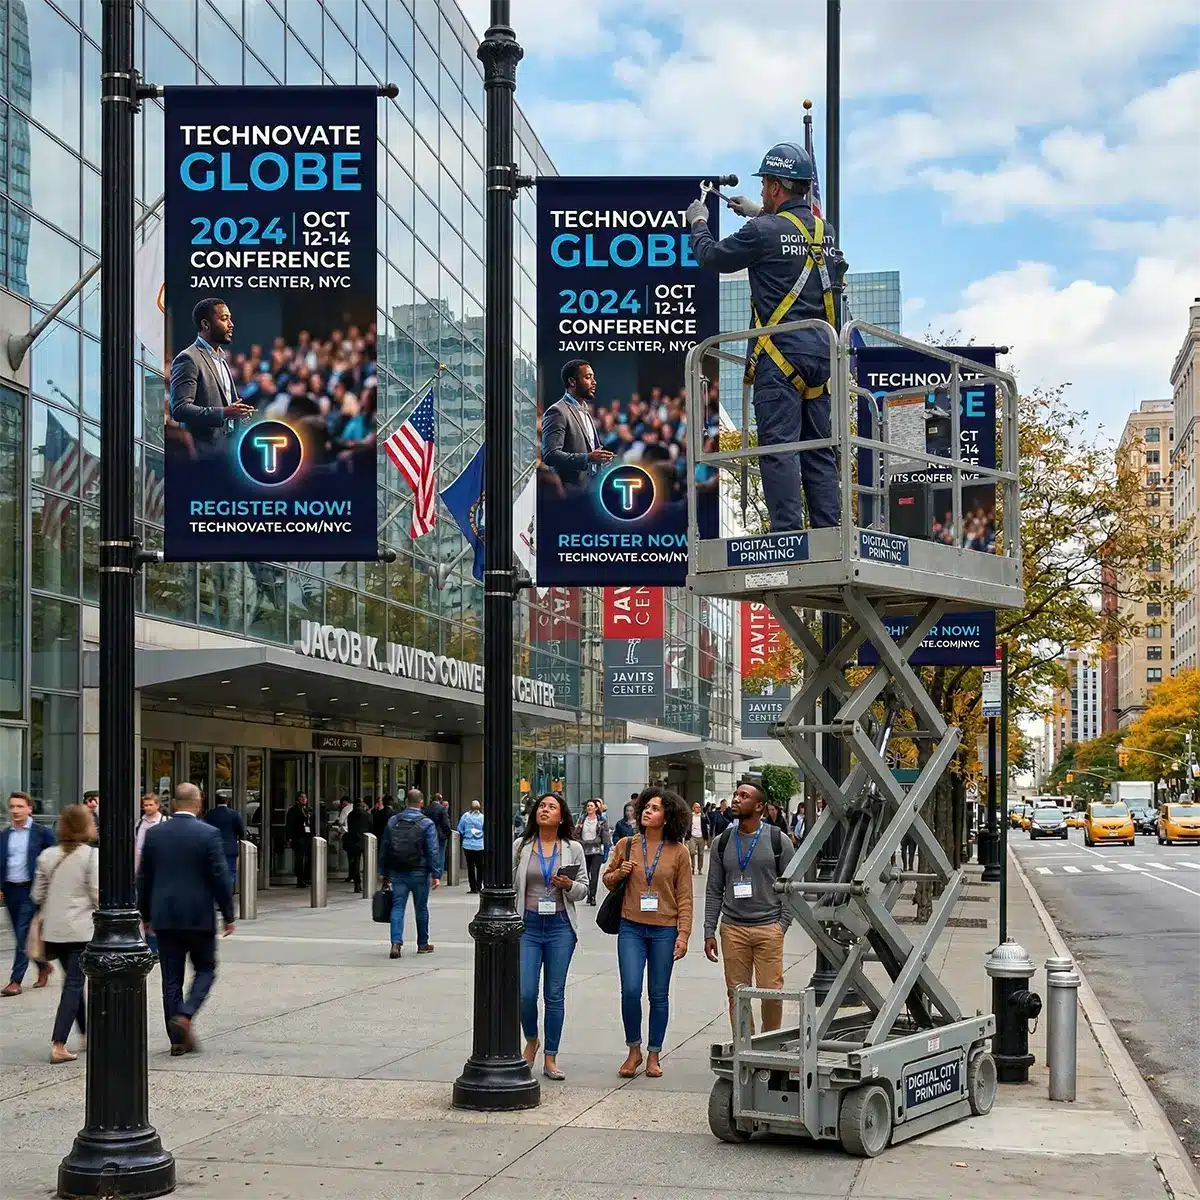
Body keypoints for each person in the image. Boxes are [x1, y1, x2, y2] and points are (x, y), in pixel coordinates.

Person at [687, 144, 842, 533]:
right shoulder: (825, 232)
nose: (760, 194)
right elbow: (792, 238)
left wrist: (698, 221)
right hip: (821, 357)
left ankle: (786, 535)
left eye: (764, 187)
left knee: (779, 449)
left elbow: (711, 257)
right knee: (819, 450)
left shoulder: (761, 232)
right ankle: (828, 532)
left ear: (776, 187)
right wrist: (755, 214)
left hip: (781, 356)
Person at [602, 786, 693, 1079]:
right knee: (630, 990)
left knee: (658, 994)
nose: (647, 811)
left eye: (655, 808)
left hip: (665, 930)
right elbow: (607, 880)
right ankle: (634, 1050)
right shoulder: (626, 844)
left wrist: (684, 934)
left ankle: (654, 1054)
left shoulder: (679, 852)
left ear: (667, 817)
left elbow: (685, 897)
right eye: (646, 807)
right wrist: (620, 873)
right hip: (631, 926)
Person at [138, 783, 235, 1055]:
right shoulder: (209, 834)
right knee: (206, 968)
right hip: (198, 916)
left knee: (171, 978)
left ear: (174, 803)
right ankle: (186, 1013)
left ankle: (176, 1040)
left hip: (165, 916)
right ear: (198, 802)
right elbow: (220, 878)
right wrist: (228, 915)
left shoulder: (155, 834)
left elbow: (144, 877)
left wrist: (145, 914)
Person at [703, 781, 794, 1034]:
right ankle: (745, 1049)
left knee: (771, 994)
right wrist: (709, 930)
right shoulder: (722, 842)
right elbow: (713, 889)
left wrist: (781, 925)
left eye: (744, 796)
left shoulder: (778, 840)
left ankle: (770, 1046)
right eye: (736, 795)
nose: (736, 799)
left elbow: (791, 887)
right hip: (733, 929)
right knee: (737, 994)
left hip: (769, 927)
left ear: (759, 806)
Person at [515, 793, 589, 1080]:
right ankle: (531, 1039)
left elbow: (583, 889)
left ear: (561, 816)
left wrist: (569, 885)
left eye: (552, 807)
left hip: (560, 927)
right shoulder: (521, 847)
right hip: (529, 926)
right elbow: (509, 884)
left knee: (554, 994)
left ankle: (551, 1057)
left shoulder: (573, 849)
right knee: (525, 992)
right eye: (541, 806)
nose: (545, 810)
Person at [32, 805, 98, 1063]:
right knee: (74, 983)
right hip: (80, 930)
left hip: (53, 931)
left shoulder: (47, 855)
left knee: (73, 981)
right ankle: (58, 1042)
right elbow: (97, 895)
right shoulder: (91, 857)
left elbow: (37, 895)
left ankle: (86, 1032)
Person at [168, 298, 255, 458]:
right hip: (202, 455)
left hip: (227, 452)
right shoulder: (188, 358)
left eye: (230, 318)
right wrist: (224, 412)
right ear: (205, 324)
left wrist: (238, 411)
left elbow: (223, 404)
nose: (231, 324)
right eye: (224, 318)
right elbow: (180, 410)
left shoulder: (221, 357)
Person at [1, 791, 56, 996]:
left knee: (23, 935)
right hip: (10, 890)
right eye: (12, 807)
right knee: (20, 934)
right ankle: (43, 965)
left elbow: (54, 859)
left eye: (19, 806)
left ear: (29, 809)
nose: (15, 810)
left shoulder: (42, 833)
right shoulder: (5, 835)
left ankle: (15, 981)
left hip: (31, 891)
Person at [380, 789, 442, 958]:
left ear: (406, 802)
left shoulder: (393, 821)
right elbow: (433, 850)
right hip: (420, 872)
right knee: (421, 908)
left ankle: (396, 943)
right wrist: (436, 873)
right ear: (421, 803)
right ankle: (422, 944)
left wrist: (383, 872)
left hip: (398, 871)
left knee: (397, 907)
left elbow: (384, 847)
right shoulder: (426, 823)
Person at [541, 360, 614, 492]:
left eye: (593, 377)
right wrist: (587, 458)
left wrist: (600, 458)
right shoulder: (557, 411)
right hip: (570, 492)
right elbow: (550, 455)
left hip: (591, 489)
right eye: (588, 377)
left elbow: (586, 448)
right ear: (572, 382)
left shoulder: (585, 410)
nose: (594, 382)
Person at [203, 791, 245, 890]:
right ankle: (228, 892)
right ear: (227, 801)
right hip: (230, 848)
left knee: (215, 871)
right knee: (230, 871)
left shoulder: (210, 815)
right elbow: (241, 830)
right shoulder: (234, 814)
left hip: (213, 848)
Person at [575, 799, 608, 906]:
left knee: (594, 874)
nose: (589, 808)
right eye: (588, 806)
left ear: (596, 808)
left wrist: (606, 850)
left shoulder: (601, 821)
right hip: (584, 850)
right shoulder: (581, 820)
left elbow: (605, 836)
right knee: (586, 874)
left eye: (591, 806)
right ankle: (588, 892)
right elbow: (575, 834)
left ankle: (593, 895)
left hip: (596, 851)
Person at [135, 794, 169, 873]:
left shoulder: (165, 820)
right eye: (146, 805)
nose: (148, 807)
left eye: (151, 805)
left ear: (157, 805)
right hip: (140, 864)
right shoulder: (139, 823)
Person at [457, 799, 485, 893]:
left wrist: (466, 834)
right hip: (480, 845)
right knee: (480, 867)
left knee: (470, 867)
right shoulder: (482, 818)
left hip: (468, 845)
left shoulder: (465, 816)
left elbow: (460, 829)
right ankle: (479, 886)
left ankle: (472, 887)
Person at [285, 792, 312, 888]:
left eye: (305, 797)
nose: (304, 799)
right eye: (302, 797)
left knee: (309, 858)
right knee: (299, 859)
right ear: (297, 800)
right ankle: (300, 879)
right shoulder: (293, 811)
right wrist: (290, 837)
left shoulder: (307, 810)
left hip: (307, 837)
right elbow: (290, 825)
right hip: (298, 837)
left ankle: (307, 878)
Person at [344, 800, 369, 892]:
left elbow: (350, 828)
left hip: (354, 842)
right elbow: (371, 826)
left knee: (355, 864)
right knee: (368, 864)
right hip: (365, 841)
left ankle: (357, 885)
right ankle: (368, 884)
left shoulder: (351, 815)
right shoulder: (367, 815)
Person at [427, 793, 452, 876]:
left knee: (430, 853)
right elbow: (445, 823)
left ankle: (430, 871)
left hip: (429, 834)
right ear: (440, 800)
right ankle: (438, 874)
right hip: (440, 835)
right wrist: (448, 834)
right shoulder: (442, 809)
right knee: (440, 854)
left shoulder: (427, 809)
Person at [687, 801, 711, 875]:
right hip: (692, 837)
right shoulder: (690, 817)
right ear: (693, 808)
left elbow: (708, 823)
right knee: (692, 852)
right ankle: (692, 867)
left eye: (699, 807)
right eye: (697, 807)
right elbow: (688, 826)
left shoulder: (702, 817)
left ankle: (700, 869)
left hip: (701, 837)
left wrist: (705, 815)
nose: (698, 809)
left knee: (701, 854)